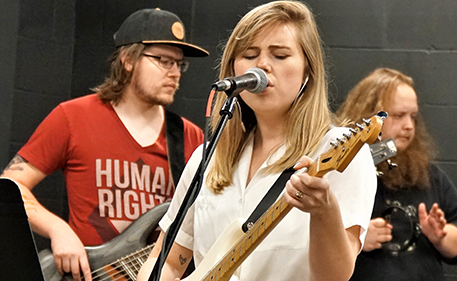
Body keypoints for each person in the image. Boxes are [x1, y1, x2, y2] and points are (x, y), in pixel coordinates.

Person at [136, 1, 378, 281]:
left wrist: (325, 211)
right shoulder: (207, 158)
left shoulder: (337, 151)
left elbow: (334, 276)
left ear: (307, 71)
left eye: (280, 55)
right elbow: (168, 261)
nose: (262, 65)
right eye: (250, 55)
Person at [0, 8, 208, 281]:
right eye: (162, 60)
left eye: (179, 64)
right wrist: (57, 229)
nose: (175, 73)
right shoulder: (73, 117)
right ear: (128, 60)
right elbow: (11, 186)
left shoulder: (189, 137)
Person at [336, 68, 457, 280]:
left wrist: (441, 236)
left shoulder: (427, 173)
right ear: (368, 117)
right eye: (398, 116)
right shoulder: (341, 172)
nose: (409, 126)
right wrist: (354, 239)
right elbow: (304, 237)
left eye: (413, 116)